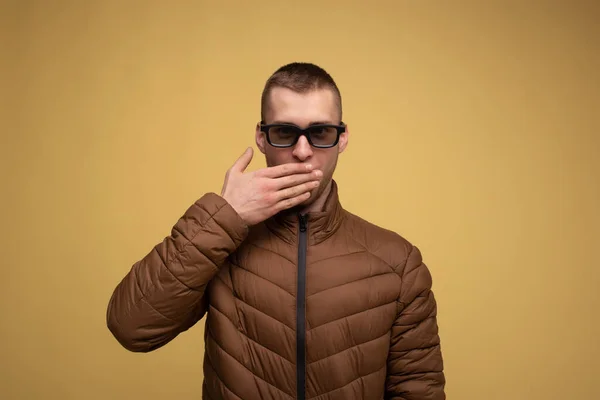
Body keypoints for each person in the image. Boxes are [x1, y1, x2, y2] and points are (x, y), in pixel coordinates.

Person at [106, 62, 445, 400]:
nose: (302, 151)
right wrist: (225, 214)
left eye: (320, 133)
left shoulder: (397, 263)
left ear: (342, 139)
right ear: (261, 137)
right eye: (284, 132)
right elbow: (131, 327)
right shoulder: (220, 241)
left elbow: (418, 391)